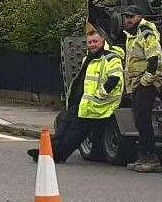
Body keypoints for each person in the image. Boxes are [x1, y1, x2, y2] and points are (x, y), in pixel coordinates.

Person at [29, 30, 124, 163]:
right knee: (63, 127)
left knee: (73, 134)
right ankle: (46, 151)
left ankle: (55, 156)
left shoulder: (111, 58)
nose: (92, 45)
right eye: (90, 42)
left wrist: (99, 95)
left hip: (95, 105)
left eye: (95, 41)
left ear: (103, 41)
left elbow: (115, 79)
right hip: (80, 101)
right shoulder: (88, 58)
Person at [121, 3, 162, 172]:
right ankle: (145, 156)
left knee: (142, 119)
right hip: (137, 82)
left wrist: (146, 80)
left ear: (140, 17)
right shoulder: (134, 34)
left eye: (131, 17)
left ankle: (151, 158)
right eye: (126, 17)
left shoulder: (146, 32)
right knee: (139, 119)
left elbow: (155, 57)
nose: (127, 20)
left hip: (146, 82)